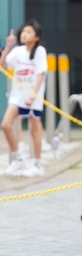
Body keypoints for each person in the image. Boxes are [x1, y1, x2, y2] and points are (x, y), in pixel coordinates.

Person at [1, 20, 47, 177]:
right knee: (6, 125)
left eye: (28, 32)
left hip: (33, 97)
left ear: (37, 37)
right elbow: (3, 65)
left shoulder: (40, 51)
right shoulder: (18, 51)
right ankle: (17, 159)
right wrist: (8, 46)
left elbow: (41, 74)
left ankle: (37, 164)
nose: (24, 34)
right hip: (17, 96)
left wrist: (33, 96)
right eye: (23, 31)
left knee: (34, 130)